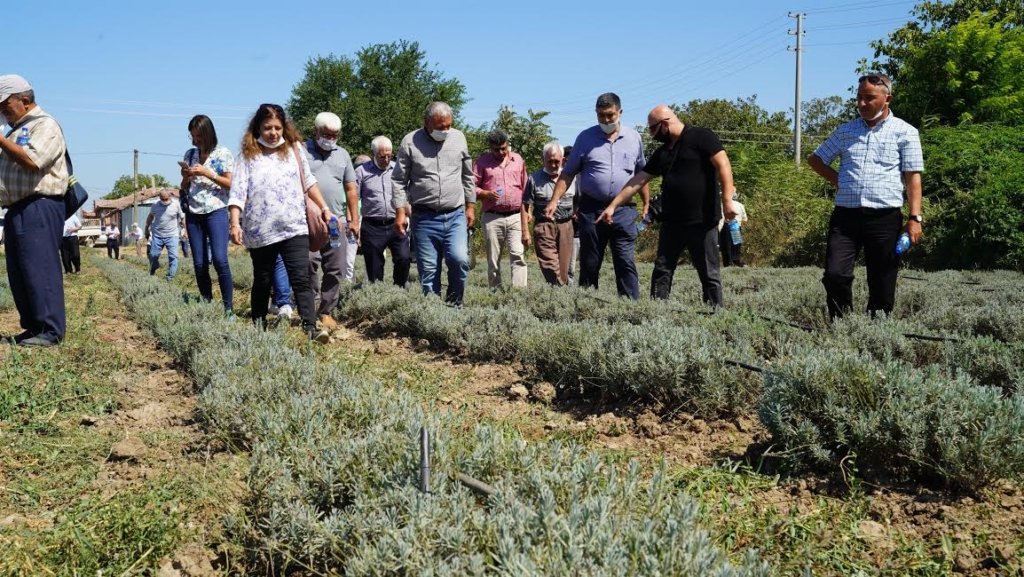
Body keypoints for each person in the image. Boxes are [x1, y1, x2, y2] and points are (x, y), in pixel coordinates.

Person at [808, 72, 924, 320]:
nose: (862, 103)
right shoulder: (846, 131)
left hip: (884, 217)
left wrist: (915, 218)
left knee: (882, 277)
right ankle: (842, 324)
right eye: (859, 97)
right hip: (845, 218)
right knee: (835, 274)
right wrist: (837, 179)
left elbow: (913, 176)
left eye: (869, 98)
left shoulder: (905, 132)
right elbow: (816, 159)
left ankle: (876, 329)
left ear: (887, 98)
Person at [599, 105, 736, 305]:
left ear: (664, 123)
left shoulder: (701, 137)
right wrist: (613, 206)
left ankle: (716, 316)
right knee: (662, 270)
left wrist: (728, 201)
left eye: (653, 129)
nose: (652, 135)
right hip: (672, 223)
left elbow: (723, 164)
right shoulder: (663, 152)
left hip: (702, 221)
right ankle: (657, 312)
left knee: (709, 272)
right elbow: (638, 181)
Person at [228, 103, 334, 343]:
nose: (273, 133)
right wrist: (235, 222)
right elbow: (237, 191)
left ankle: (311, 326)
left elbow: (309, 182)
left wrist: (325, 209)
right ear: (258, 128)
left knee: (301, 278)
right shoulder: (247, 155)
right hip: (261, 230)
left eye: (277, 128)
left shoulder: (295, 149)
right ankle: (259, 325)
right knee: (263, 279)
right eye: (267, 128)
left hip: (294, 226)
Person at [545, 93, 648, 299]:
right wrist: (554, 200)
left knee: (625, 261)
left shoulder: (634, 138)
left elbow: (641, 174)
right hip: (592, 210)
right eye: (601, 115)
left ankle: (631, 309)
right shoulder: (585, 138)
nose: (606, 120)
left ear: (620, 112)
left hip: (624, 210)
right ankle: (587, 307)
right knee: (590, 262)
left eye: (610, 115)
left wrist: (646, 203)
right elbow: (568, 173)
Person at [0, 74, 68, 347]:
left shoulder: (45, 125)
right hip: (17, 208)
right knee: (20, 272)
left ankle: (51, 330)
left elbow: (33, 160)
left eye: (5, 105)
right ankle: (32, 327)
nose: (2, 111)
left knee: (40, 269)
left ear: (25, 101)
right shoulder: (14, 131)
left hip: (39, 205)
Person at [392, 102, 476, 305]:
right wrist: (400, 213)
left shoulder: (459, 138)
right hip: (424, 217)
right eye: (440, 127)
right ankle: (434, 313)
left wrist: (470, 206)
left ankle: (455, 307)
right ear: (427, 123)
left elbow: (468, 176)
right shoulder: (410, 142)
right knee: (429, 271)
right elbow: (398, 180)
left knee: (459, 260)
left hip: (455, 214)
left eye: (448, 126)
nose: (445, 131)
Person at [303, 112, 358, 330]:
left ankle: (326, 311)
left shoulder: (343, 155)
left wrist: (355, 220)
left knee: (335, 266)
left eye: (335, 135)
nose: (330, 139)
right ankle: (310, 306)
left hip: (337, 222)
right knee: (308, 263)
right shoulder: (301, 151)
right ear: (316, 131)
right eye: (326, 134)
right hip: (308, 221)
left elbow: (351, 189)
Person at [180, 114, 235, 314]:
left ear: (208, 133)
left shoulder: (223, 153)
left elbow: (231, 184)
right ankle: (207, 303)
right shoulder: (190, 154)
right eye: (192, 136)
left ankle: (228, 308)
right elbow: (184, 186)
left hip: (216, 210)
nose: (196, 140)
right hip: (194, 212)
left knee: (220, 260)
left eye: (199, 136)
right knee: (199, 263)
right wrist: (187, 177)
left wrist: (207, 173)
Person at [475, 129, 528, 289]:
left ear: (507, 145)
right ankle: (495, 292)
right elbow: (471, 187)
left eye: (503, 148)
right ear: (490, 148)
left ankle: (518, 294)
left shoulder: (518, 160)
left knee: (518, 255)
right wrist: (484, 193)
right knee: (493, 259)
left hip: (515, 216)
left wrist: (528, 213)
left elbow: (526, 189)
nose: (501, 152)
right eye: (496, 149)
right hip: (492, 217)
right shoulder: (481, 162)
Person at [357, 136, 410, 286]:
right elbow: (353, 198)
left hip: (396, 223)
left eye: (389, 155)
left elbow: (407, 195)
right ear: (373, 153)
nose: (386, 159)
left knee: (404, 258)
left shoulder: (398, 170)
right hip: (372, 225)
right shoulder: (361, 172)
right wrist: (354, 221)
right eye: (382, 156)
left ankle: (399, 289)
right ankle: (378, 294)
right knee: (374, 267)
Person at [522, 142, 575, 285]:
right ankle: (560, 290)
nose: (553, 165)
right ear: (543, 159)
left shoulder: (571, 178)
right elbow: (525, 204)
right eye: (549, 161)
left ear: (563, 160)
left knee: (564, 269)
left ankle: (559, 296)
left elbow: (579, 200)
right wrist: (525, 231)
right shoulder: (534, 178)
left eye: (556, 161)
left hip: (566, 226)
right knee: (550, 265)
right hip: (544, 226)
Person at [145, 189, 184, 280]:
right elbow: (150, 216)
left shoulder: (176, 204)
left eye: (166, 199)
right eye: (163, 199)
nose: (165, 201)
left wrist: (185, 230)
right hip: (157, 234)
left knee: (173, 257)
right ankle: (154, 266)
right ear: (160, 198)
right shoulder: (155, 205)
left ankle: (170, 278)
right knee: (153, 255)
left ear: (170, 197)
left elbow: (182, 218)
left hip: (172, 235)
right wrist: (146, 228)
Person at [720, 196, 747, 267]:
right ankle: (736, 261)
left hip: (726, 226)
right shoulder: (740, 205)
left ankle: (728, 263)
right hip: (737, 226)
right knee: (736, 245)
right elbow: (745, 219)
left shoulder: (723, 205)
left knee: (726, 246)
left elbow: (721, 218)